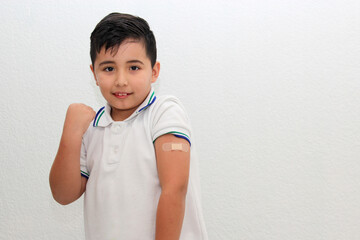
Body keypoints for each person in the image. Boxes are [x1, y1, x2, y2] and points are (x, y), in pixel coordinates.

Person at [49, 12, 208, 240]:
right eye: (108, 68)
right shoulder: (92, 127)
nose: (121, 80)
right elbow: (62, 195)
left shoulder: (164, 112)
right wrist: (71, 134)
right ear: (93, 73)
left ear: (154, 71)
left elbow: (175, 189)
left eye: (133, 68)